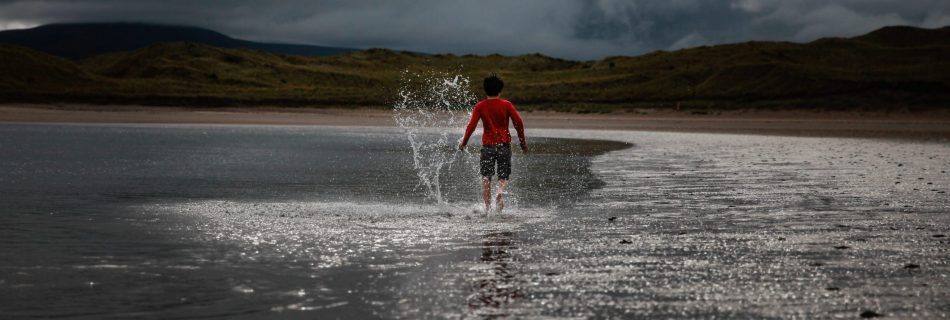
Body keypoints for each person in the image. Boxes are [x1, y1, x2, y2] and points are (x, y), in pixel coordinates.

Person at [458, 73, 527, 213]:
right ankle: (500, 191)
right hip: (504, 146)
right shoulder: (507, 105)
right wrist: (522, 143)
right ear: (500, 90)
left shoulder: (480, 106)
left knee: (486, 177)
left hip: (488, 147)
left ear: (485, 90)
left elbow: (471, 126)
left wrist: (464, 142)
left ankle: (488, 209)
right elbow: (518, 123)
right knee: (503, 175)